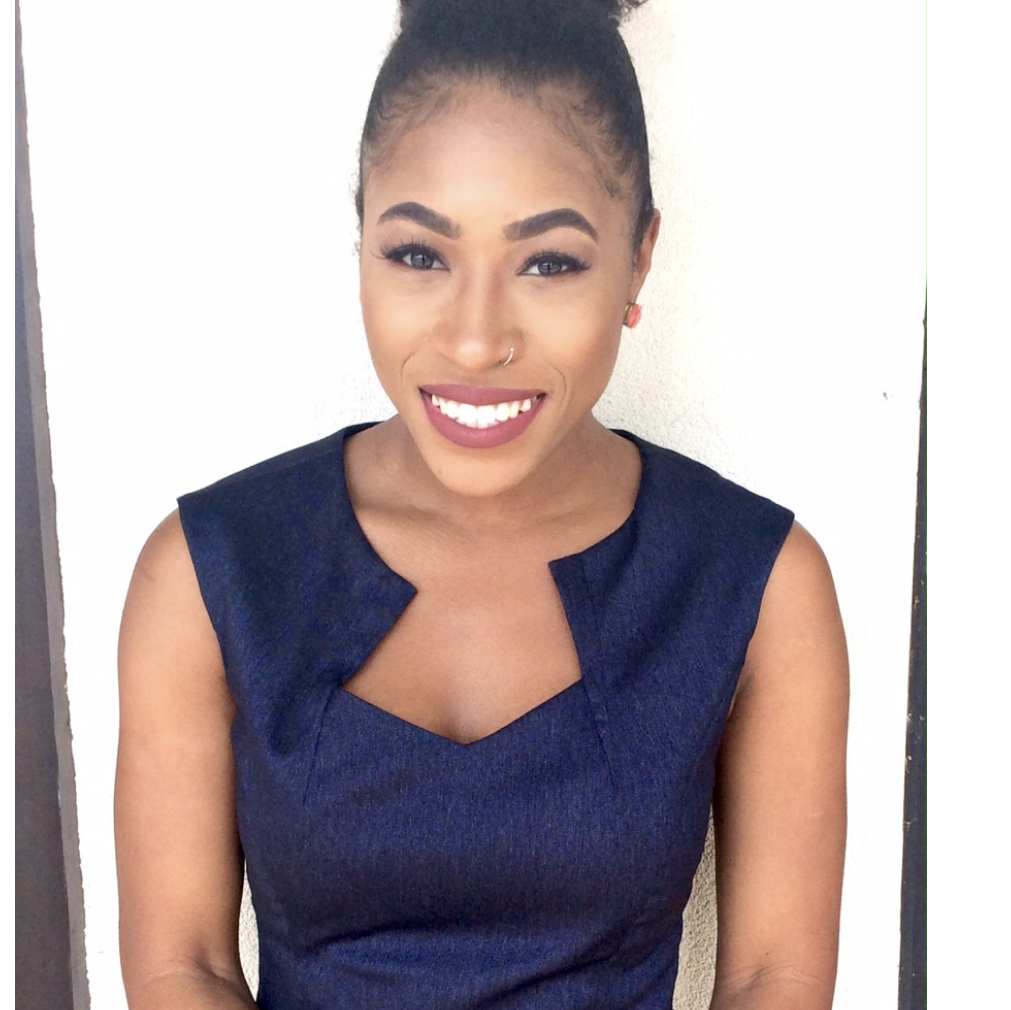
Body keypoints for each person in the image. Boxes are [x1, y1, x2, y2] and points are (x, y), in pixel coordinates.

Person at [114, 1, 848, 1007]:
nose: (474, 338)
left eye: (549, 262)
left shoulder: (757, 584)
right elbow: (181, 965)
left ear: (639, 257)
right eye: (419, 254)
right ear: (361, 240)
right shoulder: (209, 571)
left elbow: (775, 976)